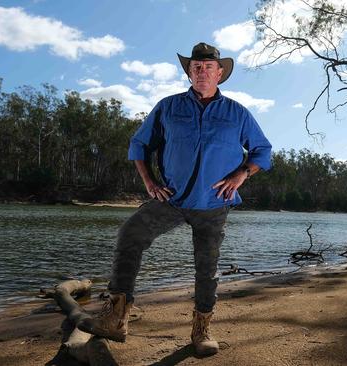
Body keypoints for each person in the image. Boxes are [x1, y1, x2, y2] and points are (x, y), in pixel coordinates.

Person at [78, 42, 272, 356]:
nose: (202, 72)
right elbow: (139, 144)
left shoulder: (237, 113)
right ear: (189, 71)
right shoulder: (168, 107)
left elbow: (263, 151)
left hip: (214, 205)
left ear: (220, 73)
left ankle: (202, 329)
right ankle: (116, 317)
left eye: (209, 67)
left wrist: (241, 175)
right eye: (196, 67)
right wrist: (150, 182)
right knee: (130, 235)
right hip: (172, 199)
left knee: (206, 269)